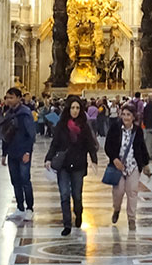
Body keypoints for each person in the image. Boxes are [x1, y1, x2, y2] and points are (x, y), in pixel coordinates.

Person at [44, 95, 98, 236]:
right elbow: (55, 144)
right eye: (73, 108)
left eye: (77, 108)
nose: (75, 110)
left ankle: (78, 214)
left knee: (77, 195)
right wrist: (48, 158)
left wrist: (94, 160)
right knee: (64, 194)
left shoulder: (84, 126)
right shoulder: (61, 125)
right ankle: (67, 224)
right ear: (68, 109)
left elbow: (90, 145)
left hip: (78, 164)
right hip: (64, 164)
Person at [106, 103, 151, 231]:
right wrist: (114, 159)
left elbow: (142, 147)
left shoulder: (137, 130)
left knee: (132, 192)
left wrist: (145, 164)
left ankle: (132, 218)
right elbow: (108, 146)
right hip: (118, 166)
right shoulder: (115, 128)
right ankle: (116, 209)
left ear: (133, 117)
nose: (125, 117)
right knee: (118, 192)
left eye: (128, 115)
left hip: (133, 165)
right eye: (124, 114)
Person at [2, 86, 36, 221]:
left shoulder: (25, 113)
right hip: (12, 152)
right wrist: (4, 154)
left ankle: (29, 208)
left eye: (11, 97)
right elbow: (5, 134)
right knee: (15, 180)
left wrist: (28, 151)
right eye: (7, 97)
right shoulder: (8, 114)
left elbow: (31, 134)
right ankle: (20, 207)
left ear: (18, 98)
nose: (9, 100)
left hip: (23, 152)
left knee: (25, 180)